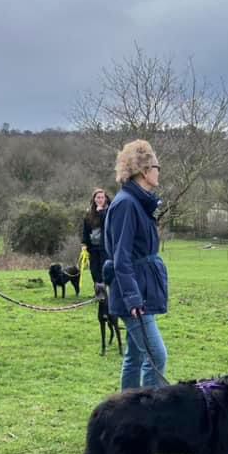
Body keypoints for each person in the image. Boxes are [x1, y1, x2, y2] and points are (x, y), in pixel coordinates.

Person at [104, 140, 168, 390]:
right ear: (143, 170)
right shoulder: (126, 204)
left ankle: (125, 413)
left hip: (142, 287)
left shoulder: (138, 202)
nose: (159, 170)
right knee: (156, 356)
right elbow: (121, 257)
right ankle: (150, 415)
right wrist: (133, 298)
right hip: (135, 293)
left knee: (135, 355)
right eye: (156, 165)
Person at [81, 187, 111, 285]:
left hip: (105, 247)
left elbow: (107, 224)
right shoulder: (89, 214)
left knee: (104, 269)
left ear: (105, 199)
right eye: (98, 197)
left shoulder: (109, 211)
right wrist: (84, 243)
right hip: (93, 247)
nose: (100, 199)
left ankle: (105, 293)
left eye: (102, 197)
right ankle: (98, 292)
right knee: (94, 271)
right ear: (94, 199)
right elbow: (85, 230)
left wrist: (101, 212)